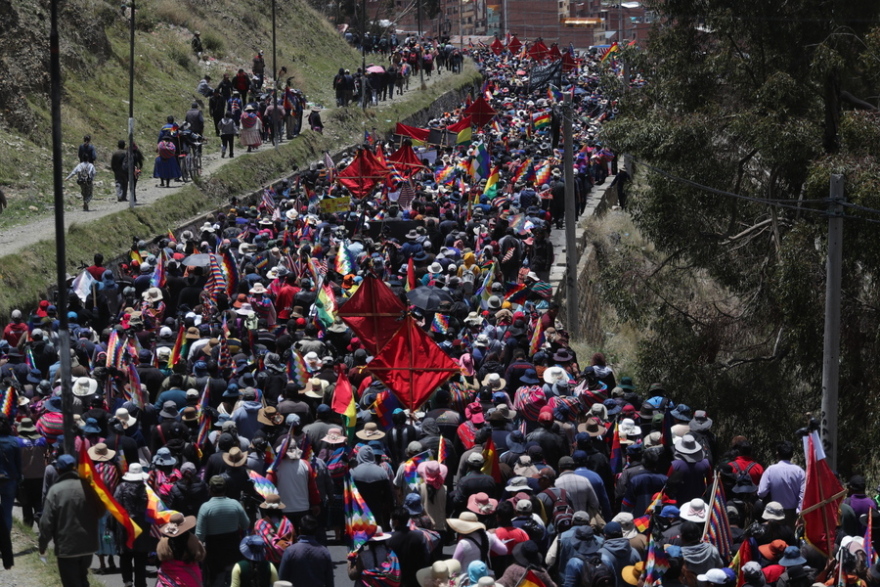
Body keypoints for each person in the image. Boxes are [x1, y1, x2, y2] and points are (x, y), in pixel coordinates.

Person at [39, 454, 106, 587]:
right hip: (88, 546)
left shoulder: (55, 491)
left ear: (58, 470)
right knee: (82, 578)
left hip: (67, 548)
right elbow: (101, 510)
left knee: (71, 582)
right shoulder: (88, 486)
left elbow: (46, 523)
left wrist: (43, 544)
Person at [196, 475, 251, 587]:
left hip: (214, 556)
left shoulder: (205, 508)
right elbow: (246, 525)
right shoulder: (235, 504)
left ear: (210, 489)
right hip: (234, 553)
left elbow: (199, 536)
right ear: (225, 489)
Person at [757, 441, 805, 528]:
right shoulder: (800, 471)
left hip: (774, 513)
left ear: (777, 454)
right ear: (791, 455)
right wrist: (800, 512)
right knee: (791, 538)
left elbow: (761, 492)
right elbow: (803, 494)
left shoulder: (770, 470)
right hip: (793, 513)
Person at [278, 514, 334, 587]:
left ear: (299, 530)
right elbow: (329, 581)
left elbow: (282, 578)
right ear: (316, 531)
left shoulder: (290, 551)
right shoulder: (324, 552)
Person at [156, 513, 205, 587]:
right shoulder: (192, 539)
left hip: (168, 573)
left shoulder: (164, 541)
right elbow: (200, 555)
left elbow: (159, 559)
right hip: (190, 574)